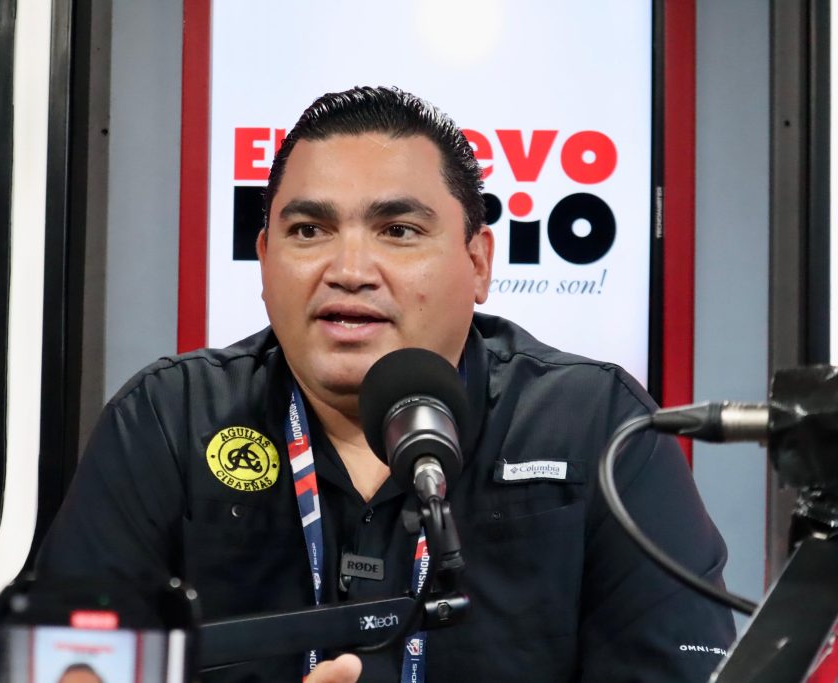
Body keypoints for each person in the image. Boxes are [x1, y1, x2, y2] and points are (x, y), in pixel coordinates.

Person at [37, 86, 736, 682]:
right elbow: (68, 666)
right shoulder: (167, 422)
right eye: (308, 230)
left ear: (478, 262)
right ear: (264, 260)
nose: (349, 269)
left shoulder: (598, 428)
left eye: (398, 230)